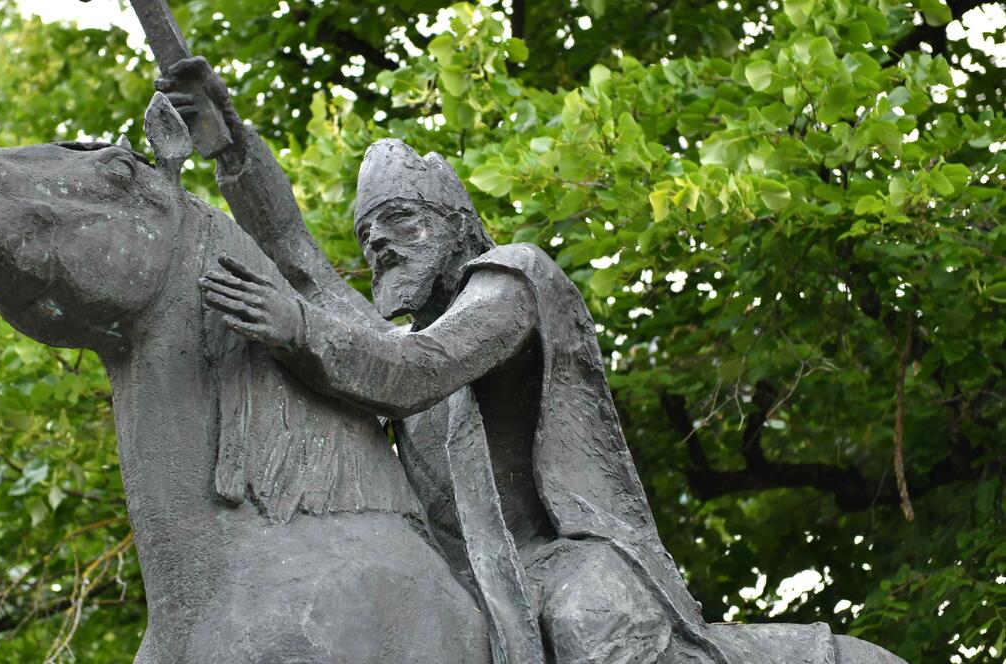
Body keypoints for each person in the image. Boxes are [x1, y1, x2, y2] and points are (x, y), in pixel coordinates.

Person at [162, 57, 848, 664]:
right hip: (465, 583)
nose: (381, 246)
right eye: (368, 235)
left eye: (400, 220)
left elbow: (418, 372)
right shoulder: (382, 345)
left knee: (591, 628)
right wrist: (231, 147)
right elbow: (295, 252)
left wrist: (300, 328)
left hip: (564, 564)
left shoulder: (514, 282)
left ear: (459, 222)